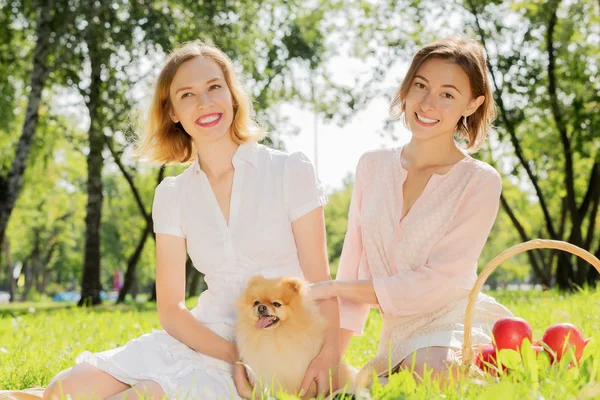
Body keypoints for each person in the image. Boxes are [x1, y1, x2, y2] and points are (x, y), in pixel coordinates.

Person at [43, 41, 341, 400]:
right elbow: (170, 310)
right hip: (205, 337)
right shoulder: (172, 194)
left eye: (214, 87)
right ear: (172, 112)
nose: (205, 103)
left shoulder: (289, 170)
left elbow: (321, 282)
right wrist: (233, 355)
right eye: (187, 95)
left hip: (276, 345)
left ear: (232, 95)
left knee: (144, 395)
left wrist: (329, 356)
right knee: (62, 390)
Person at [309, 37, 514, 383]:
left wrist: (334, 288)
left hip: (451, 323)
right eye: (420, 85)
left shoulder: (479, 181)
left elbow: (439, 282)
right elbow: (353, 264)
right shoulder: (371, 166)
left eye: (447, 94)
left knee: (432, 370)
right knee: (361, 382)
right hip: (397, 335)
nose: (427, 103)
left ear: (472, 104)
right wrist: (331, 357)